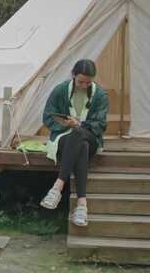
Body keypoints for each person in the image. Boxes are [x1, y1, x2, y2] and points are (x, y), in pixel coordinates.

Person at [39, 59, 108, 227]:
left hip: (90, 137)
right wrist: (65, 124)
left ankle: (57, 187)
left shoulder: (100, 95)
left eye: (88, 82)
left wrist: (80, 125)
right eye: (80, 81)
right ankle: (82, 205)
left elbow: (100, 124)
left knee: (80, 135)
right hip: (65, 137)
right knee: (80, 145)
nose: (84, 85)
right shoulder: (60, 90)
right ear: (73, 76)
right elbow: (47, 116)